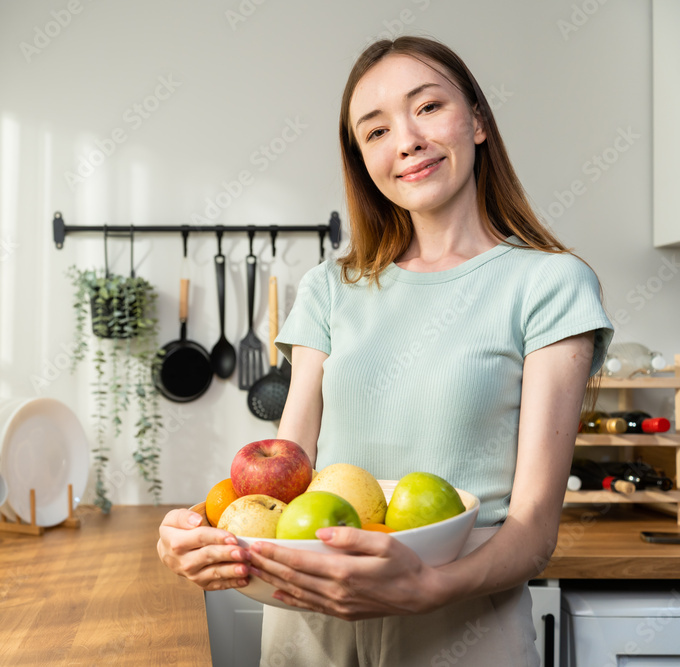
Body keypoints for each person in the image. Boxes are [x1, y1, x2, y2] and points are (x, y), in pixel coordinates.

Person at [157, 35, 613, 666]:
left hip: (461, 634)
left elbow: (532, 534)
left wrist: (426, 588)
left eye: (427, 108)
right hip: (308, 631)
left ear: (477, 121)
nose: (405, 141)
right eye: (374, 131)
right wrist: (203, 540)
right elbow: (286, 479)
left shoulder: (550, 284)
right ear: (362, 159)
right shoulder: (329, 288)